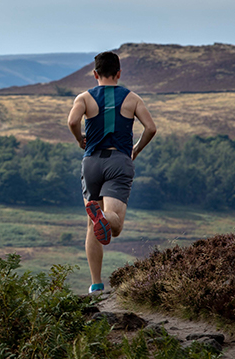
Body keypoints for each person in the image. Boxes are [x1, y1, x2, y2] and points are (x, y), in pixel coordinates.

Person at [67, 51, 157, 294]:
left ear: (95, 74)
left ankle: (96, 284)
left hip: (91, 162)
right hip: (118, 161)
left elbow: (73, 122)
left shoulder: (84, 98)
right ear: (119, 74)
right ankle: (104, 217)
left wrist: (79, 140)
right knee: (114, 227)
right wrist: (136, 149)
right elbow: (151, 128)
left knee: (91, 227)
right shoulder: (132, 98)